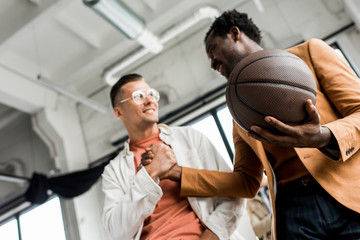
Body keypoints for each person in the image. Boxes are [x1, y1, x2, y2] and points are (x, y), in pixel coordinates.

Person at [141, 10, 360, 240]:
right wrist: (175, 172)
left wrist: (322, 137)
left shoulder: (309, 54)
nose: (213, 64)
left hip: (348, 195)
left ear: (235, 33)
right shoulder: (240, 112)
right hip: (294, 211)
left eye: (213, 51)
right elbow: (246, 181)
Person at [101, 73, 250, 240]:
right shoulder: (113, 171)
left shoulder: (191, 138)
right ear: (119, 112)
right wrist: (148, 175)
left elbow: (234, 191)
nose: (150, 100)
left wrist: (213, 235)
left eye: (151, 94)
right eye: (138, 96)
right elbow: (116, 232)